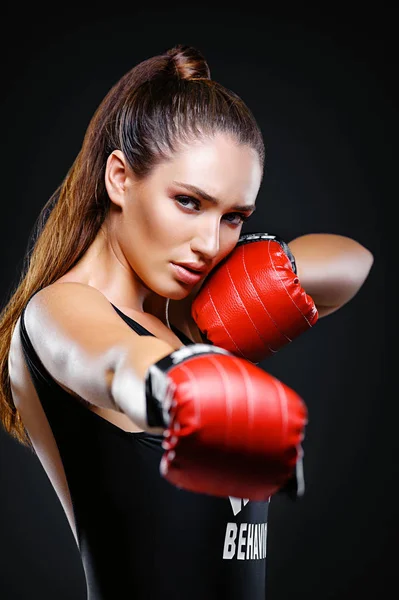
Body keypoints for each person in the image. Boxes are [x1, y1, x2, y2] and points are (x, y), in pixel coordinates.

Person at [0, 44, 373, 600]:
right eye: (189, 202)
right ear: (121, 178)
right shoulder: (62, 310)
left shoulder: (189, 324)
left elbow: (353, 265)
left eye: (233, 217)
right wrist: (174, 384)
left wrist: (263, 274)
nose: (207, 244)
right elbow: (115, 364)